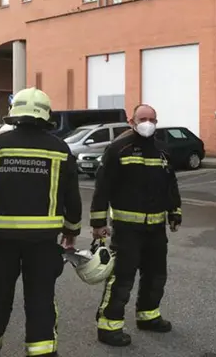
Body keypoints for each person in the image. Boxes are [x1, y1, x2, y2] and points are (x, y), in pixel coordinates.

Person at [0, 87, 82, 357]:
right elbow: (72, 197)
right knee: (40, 299)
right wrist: (71, 231)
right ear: (46, 115)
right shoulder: (59, 148)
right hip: (43, 244)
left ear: (13, 113)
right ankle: (41, 352)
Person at [90, 103, 182, 347]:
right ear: (132, 121)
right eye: (143, 118)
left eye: (152, 118)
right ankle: (108, 326)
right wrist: (98, 222)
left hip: (156, 229)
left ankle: (148, 316)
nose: (148, 123)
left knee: (156, 276)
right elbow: (103, 188)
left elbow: (170, 185)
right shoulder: (118, 148)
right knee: (122, 279)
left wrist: (175, 212)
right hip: (126, 229)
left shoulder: (162, 151)